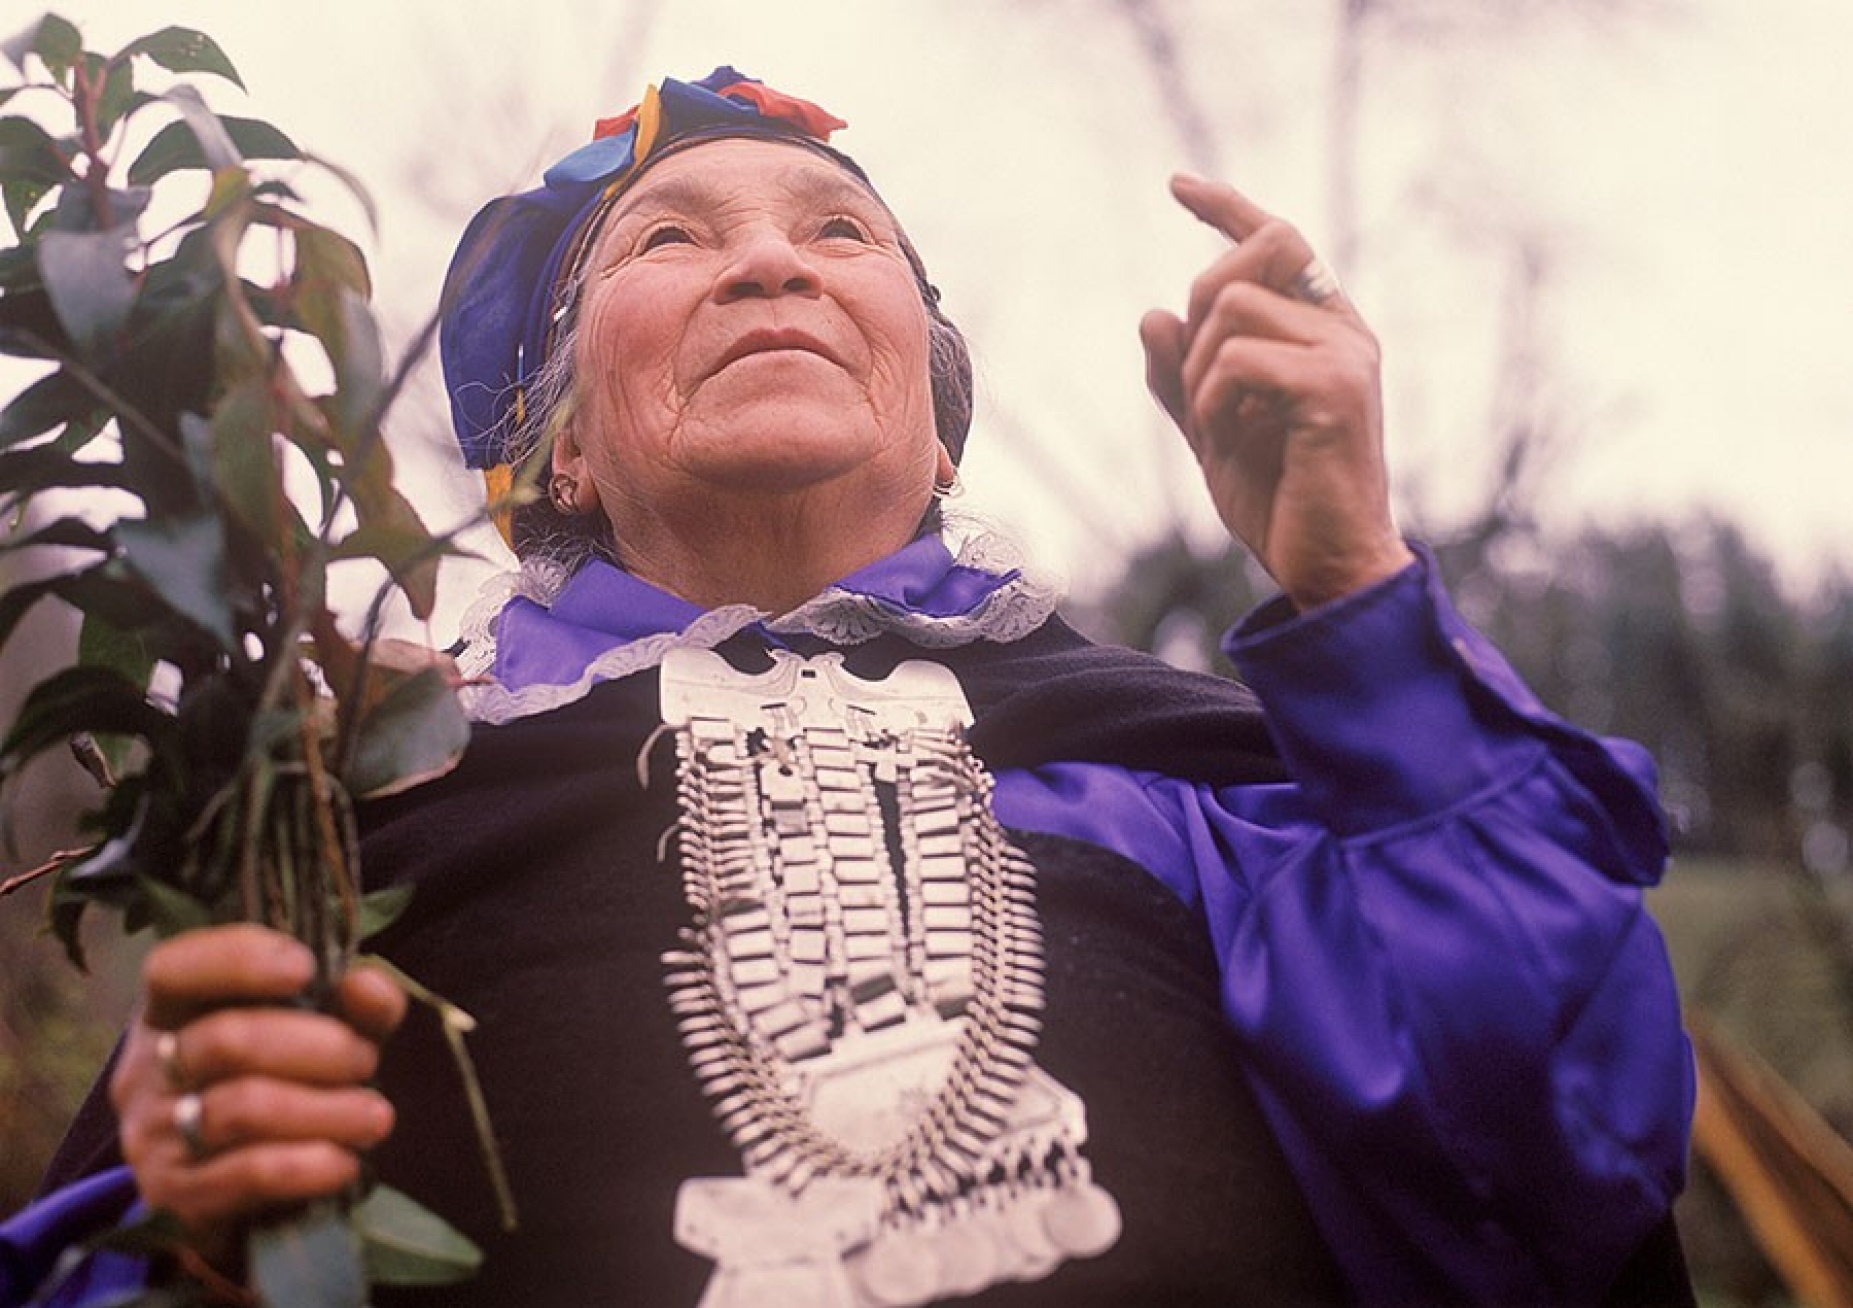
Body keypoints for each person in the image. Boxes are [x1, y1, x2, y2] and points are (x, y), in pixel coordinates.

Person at [2, 68, 1695, 1307]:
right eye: (668, 238)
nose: (771, 264)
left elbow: (1544, 1164)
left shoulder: (1189, 779)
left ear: (935, 422)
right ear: (558, 454)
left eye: (837, 233)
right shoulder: (380, 819)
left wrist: (1356, 606)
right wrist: (164, 1236)